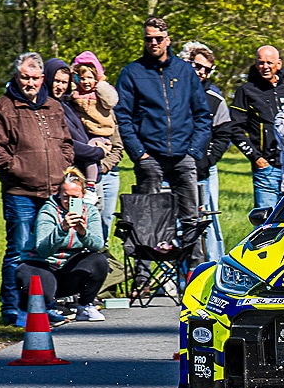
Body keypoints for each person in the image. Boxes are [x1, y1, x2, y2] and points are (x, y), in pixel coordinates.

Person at [0, 51, 76, 324]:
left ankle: (43, 305)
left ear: (42, 78)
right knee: (18, 251)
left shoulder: (53, 107)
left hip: (53, 192)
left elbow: (66, 143)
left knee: (47, 252)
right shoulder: (3, 108)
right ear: (16, 76)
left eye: (35, 78)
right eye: (25, 77)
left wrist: (63, 164)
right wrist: (18, 168)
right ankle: (13, 309)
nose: (30, 83)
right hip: (20, 194)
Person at [114, 16, 212, 267]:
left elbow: (202, 114)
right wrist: (139, 153)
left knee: (191, 219)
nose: (154, 43)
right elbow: (123, 116)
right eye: (149, 39)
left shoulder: (184, 71)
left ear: (168, 40)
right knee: (146, 220)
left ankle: (195, 272)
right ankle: (143, 278)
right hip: (150, 156)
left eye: (159, 38)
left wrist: (194, 150)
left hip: (183, 155)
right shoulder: (132, 73)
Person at [16, 167, 110, 325]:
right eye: (66, 197)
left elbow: (97, 245)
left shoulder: (91, 211)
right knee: (42, 285)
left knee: (99, 260)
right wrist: (62, 229)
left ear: (83, 195)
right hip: (42, 263)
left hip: (67, 268)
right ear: (59, 194)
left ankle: (85, 305)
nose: (69, 201)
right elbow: (43, 249)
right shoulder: (48, 211)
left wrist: (83, 232)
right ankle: (35, 310)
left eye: (75, 197)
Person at [181, 42, 232, 262]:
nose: (202, 72)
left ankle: (214, 264)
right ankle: (180, 270)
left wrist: (208, 160)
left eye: (207, 69)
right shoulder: (171, 93)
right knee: (174, 220)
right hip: (173, 167)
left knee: (209, 220)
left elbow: (224, 134)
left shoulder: (215, 100)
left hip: (204, 170)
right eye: (198, 66)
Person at [68, 51, 124, 243]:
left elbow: (117, 147)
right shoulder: (72, 107)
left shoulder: (105, 111)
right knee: (82, 217)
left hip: (107, 172)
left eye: (90, 77)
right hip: (81, 172)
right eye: (81, 78)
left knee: (105, 219)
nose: (86, 82)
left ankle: (101, 251)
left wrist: (102, 166)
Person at [229, 45, 284, 210]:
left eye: (269, 63)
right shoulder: (246, 91)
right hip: (266, 169)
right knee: (265, 220)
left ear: (279, 64)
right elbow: (234, 129)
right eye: (261, 63)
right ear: (256, 64)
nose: (265, 67)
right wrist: (256, 158)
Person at [45, 57, 105, 199]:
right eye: (56, 81)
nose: (60, 86)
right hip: (68, 178)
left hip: (84, 173)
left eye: (64, 82)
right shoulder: (46, 108)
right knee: (72, 211)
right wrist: (96, 152)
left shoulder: (67, 104)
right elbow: (64, 141)